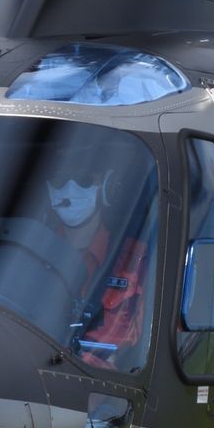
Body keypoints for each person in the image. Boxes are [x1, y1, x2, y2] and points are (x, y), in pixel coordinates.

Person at [44, 156, 154, 369]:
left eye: (83, 179)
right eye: (61, 179)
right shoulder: (28, 253)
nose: (69, 188)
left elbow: (131, 341)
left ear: (106, 187)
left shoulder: (134, 260)